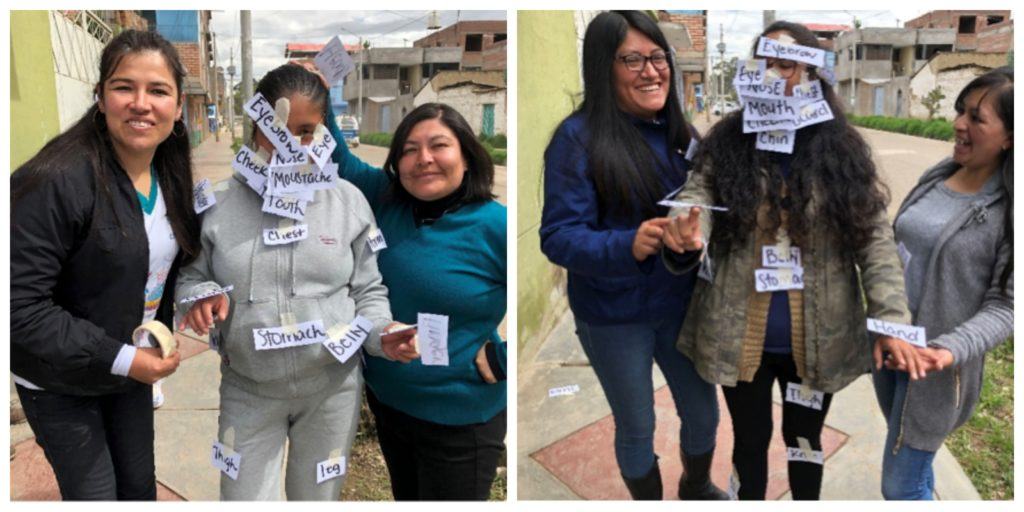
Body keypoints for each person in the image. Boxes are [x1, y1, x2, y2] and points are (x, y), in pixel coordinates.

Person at [660, 21, 917, 500]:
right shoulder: (728, 141)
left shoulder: (840, 150)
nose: (774, 76)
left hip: (818, 342)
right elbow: (698, 194)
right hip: (741, 341)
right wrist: (688, 226)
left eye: (787, 64)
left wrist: (891, 320)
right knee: (750, 441)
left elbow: (875, 240)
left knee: (804, 441)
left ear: (812, 73)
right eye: (765, 64)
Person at [176, 64, 417, 501]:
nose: (291, 146)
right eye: (277, 131)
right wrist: (197, 296)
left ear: (324, 129)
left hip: (332, 391)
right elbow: (192, 275)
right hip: (248, 391)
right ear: (255, 125)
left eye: (305, 130)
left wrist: (384, 335)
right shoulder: (215, 204)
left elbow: (368, 290)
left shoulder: (348, 201)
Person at [539, 11, 726, 500]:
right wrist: (628, 243)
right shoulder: (576, 139)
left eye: (658, 57)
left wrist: (693, 237)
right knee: (637, 426)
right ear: (604, 68)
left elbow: (705, 209)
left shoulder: (681, 134)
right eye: (633, 60)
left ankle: (697, 485)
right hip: (613, 315)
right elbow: (558, 236)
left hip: (680, 307)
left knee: (704, 413)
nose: (651, 70)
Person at [10, 29, 197, 500]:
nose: (141, 103)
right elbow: (16, 307)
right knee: (96, 496)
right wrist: (123, 358)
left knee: (137, 489)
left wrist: (202, 293)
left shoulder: (169, 174)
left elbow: (172, 263)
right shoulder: (53, 180)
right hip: (60, 379)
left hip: (129, 368)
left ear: (177, 108)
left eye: (158, 91)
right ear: (100, 98)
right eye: (123, 87)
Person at [324, 102, 507, 500]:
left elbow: (571, 294)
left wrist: (504, 357)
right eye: (409, 149)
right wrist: (320, 95)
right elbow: (340, 159)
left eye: (438, 145)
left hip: (459, 423)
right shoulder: (387, 202)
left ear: (466, 155)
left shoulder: (496, 226)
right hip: (391, 407)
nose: (423, 159)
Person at [875, 67, 1013, 500]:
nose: (959, 123)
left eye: (976, 117)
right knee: (915, 472)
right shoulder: (939, 173)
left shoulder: (1009, 211)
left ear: (1010, 137)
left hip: (936, 371)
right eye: (960, 112)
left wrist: (949, 349)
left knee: (899, 486)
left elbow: (1009, 305)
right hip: (891, 350)